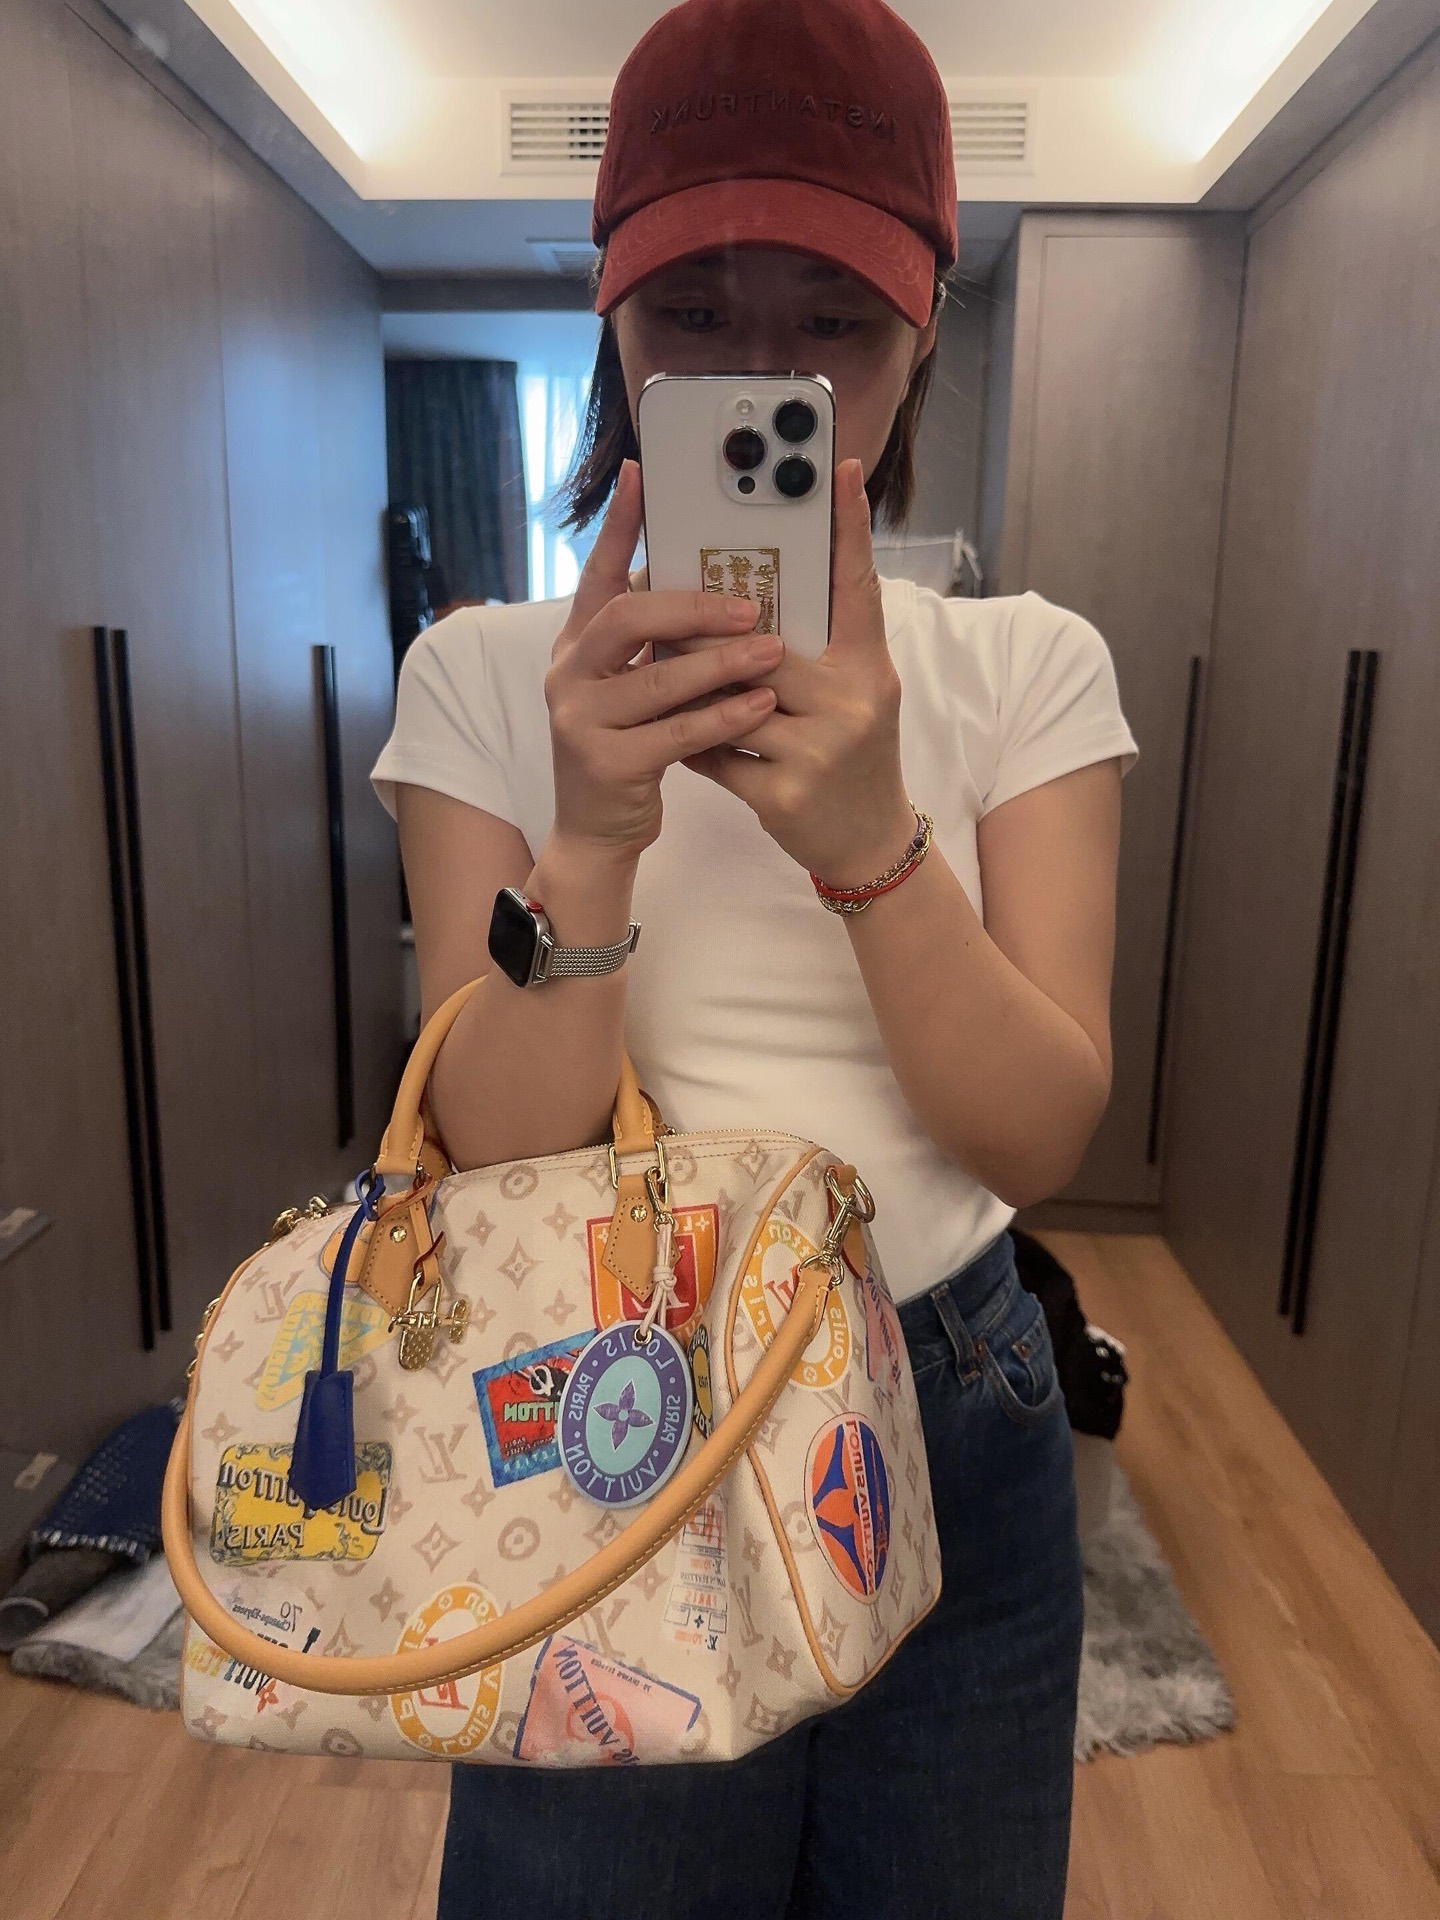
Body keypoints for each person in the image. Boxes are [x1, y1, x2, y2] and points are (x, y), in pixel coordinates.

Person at [368, 0, 1140, 1913]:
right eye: (695, 312)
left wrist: (873, 847)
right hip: (603, 1396)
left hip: (949, 1393)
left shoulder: (1030, 667)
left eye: (832, 324)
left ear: (923, 335)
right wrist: (593, 838)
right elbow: (498, 1155)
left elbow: (1040, 1139)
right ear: (611, 327)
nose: (757, 376)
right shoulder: (482, 672)